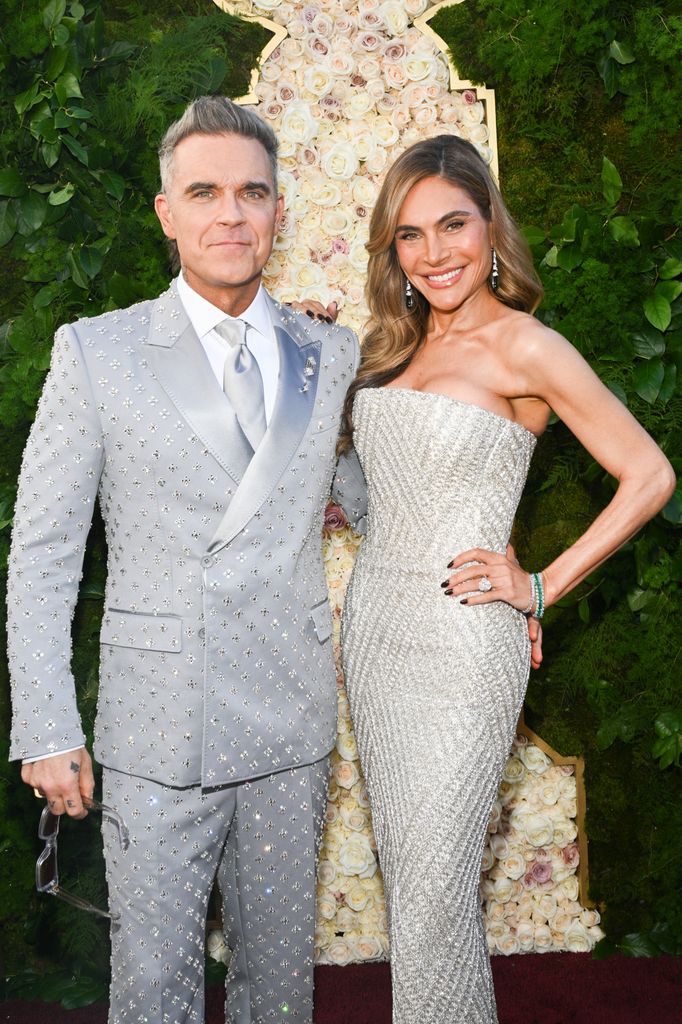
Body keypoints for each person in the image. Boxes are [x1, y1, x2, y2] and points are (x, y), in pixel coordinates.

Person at [7, 95, 367, 1024]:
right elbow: (44, 553)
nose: (230, 214)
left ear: (278, 211)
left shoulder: (328, 355)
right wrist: (47, 724)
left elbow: (373, 499)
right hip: (158, 723)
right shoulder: (97, 352)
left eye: (252, 192)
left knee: (280, 987)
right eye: (203, 191)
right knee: (154, 983)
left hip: (290, 717)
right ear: (166, 213)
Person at [337, 135, 675, 1024]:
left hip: (461, 640)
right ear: (393, 251)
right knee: (412, 885)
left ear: (491, 227)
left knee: (439, 883)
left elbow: (650, 475)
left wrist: (539, 586)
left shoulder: (527, 346)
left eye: (454, 223)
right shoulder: (386, 349)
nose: (436, 252)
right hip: (375, 634)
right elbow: (383, 494)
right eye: (411, 235)